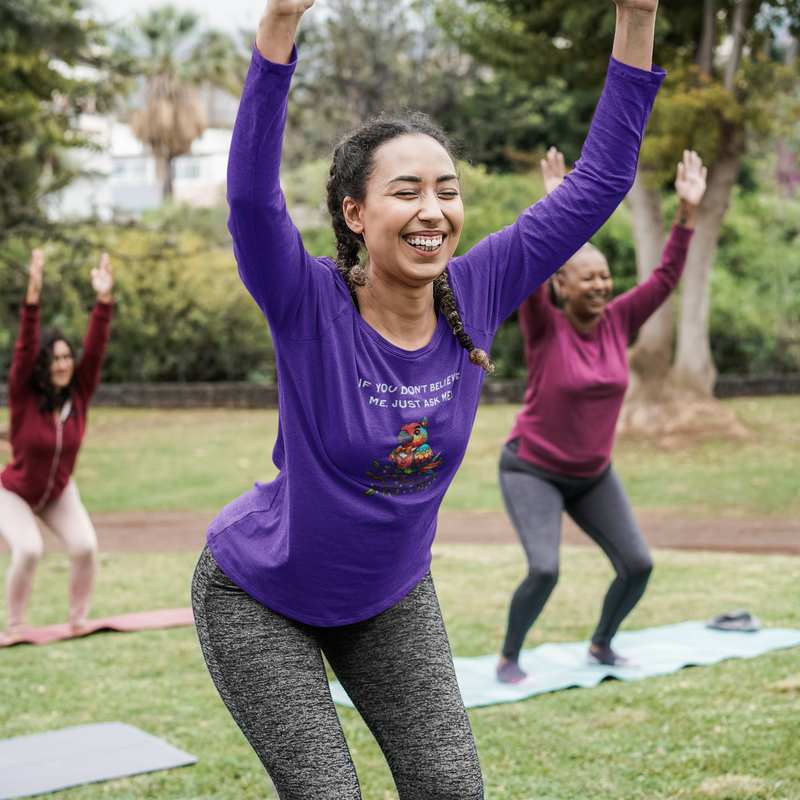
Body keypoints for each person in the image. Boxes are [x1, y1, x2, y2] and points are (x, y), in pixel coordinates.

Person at [190, 0, 663, 796]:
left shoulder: (478, 289)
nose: (432, 211)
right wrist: (277, 28)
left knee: (451, 787)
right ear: (354, 212)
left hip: (389, 596)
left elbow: (602, 181)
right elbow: (251, 202)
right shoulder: (306, 299)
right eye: (406, 191)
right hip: (260, 595)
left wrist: (639, 13)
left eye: (446, 191)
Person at [495, 149, 707, 684]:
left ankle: (601, 645)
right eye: (586, 278)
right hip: (532, 468)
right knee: (545, 569)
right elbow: (535, 259)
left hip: (592, 475)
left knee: (638, 564)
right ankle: (508, 657)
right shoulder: (543, 323)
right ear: (561, 285)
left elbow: (664, 277)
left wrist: (686, 212)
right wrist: (556, 207)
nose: (600, 285)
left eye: (604, 276)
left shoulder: (619, 320)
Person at [0, 249, 114, 644]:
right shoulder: (23, 395)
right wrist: (33, 292)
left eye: (67, 357)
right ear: (43, 364)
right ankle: (14, 627)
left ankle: (78, 619)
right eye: (55, 358)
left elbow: (96, 350)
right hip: (13, 491)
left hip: (58, 492)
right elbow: (24, 347)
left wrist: (103, 301)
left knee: (85, 546)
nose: (63, 364)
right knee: (28, 548)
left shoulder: (79, 394)